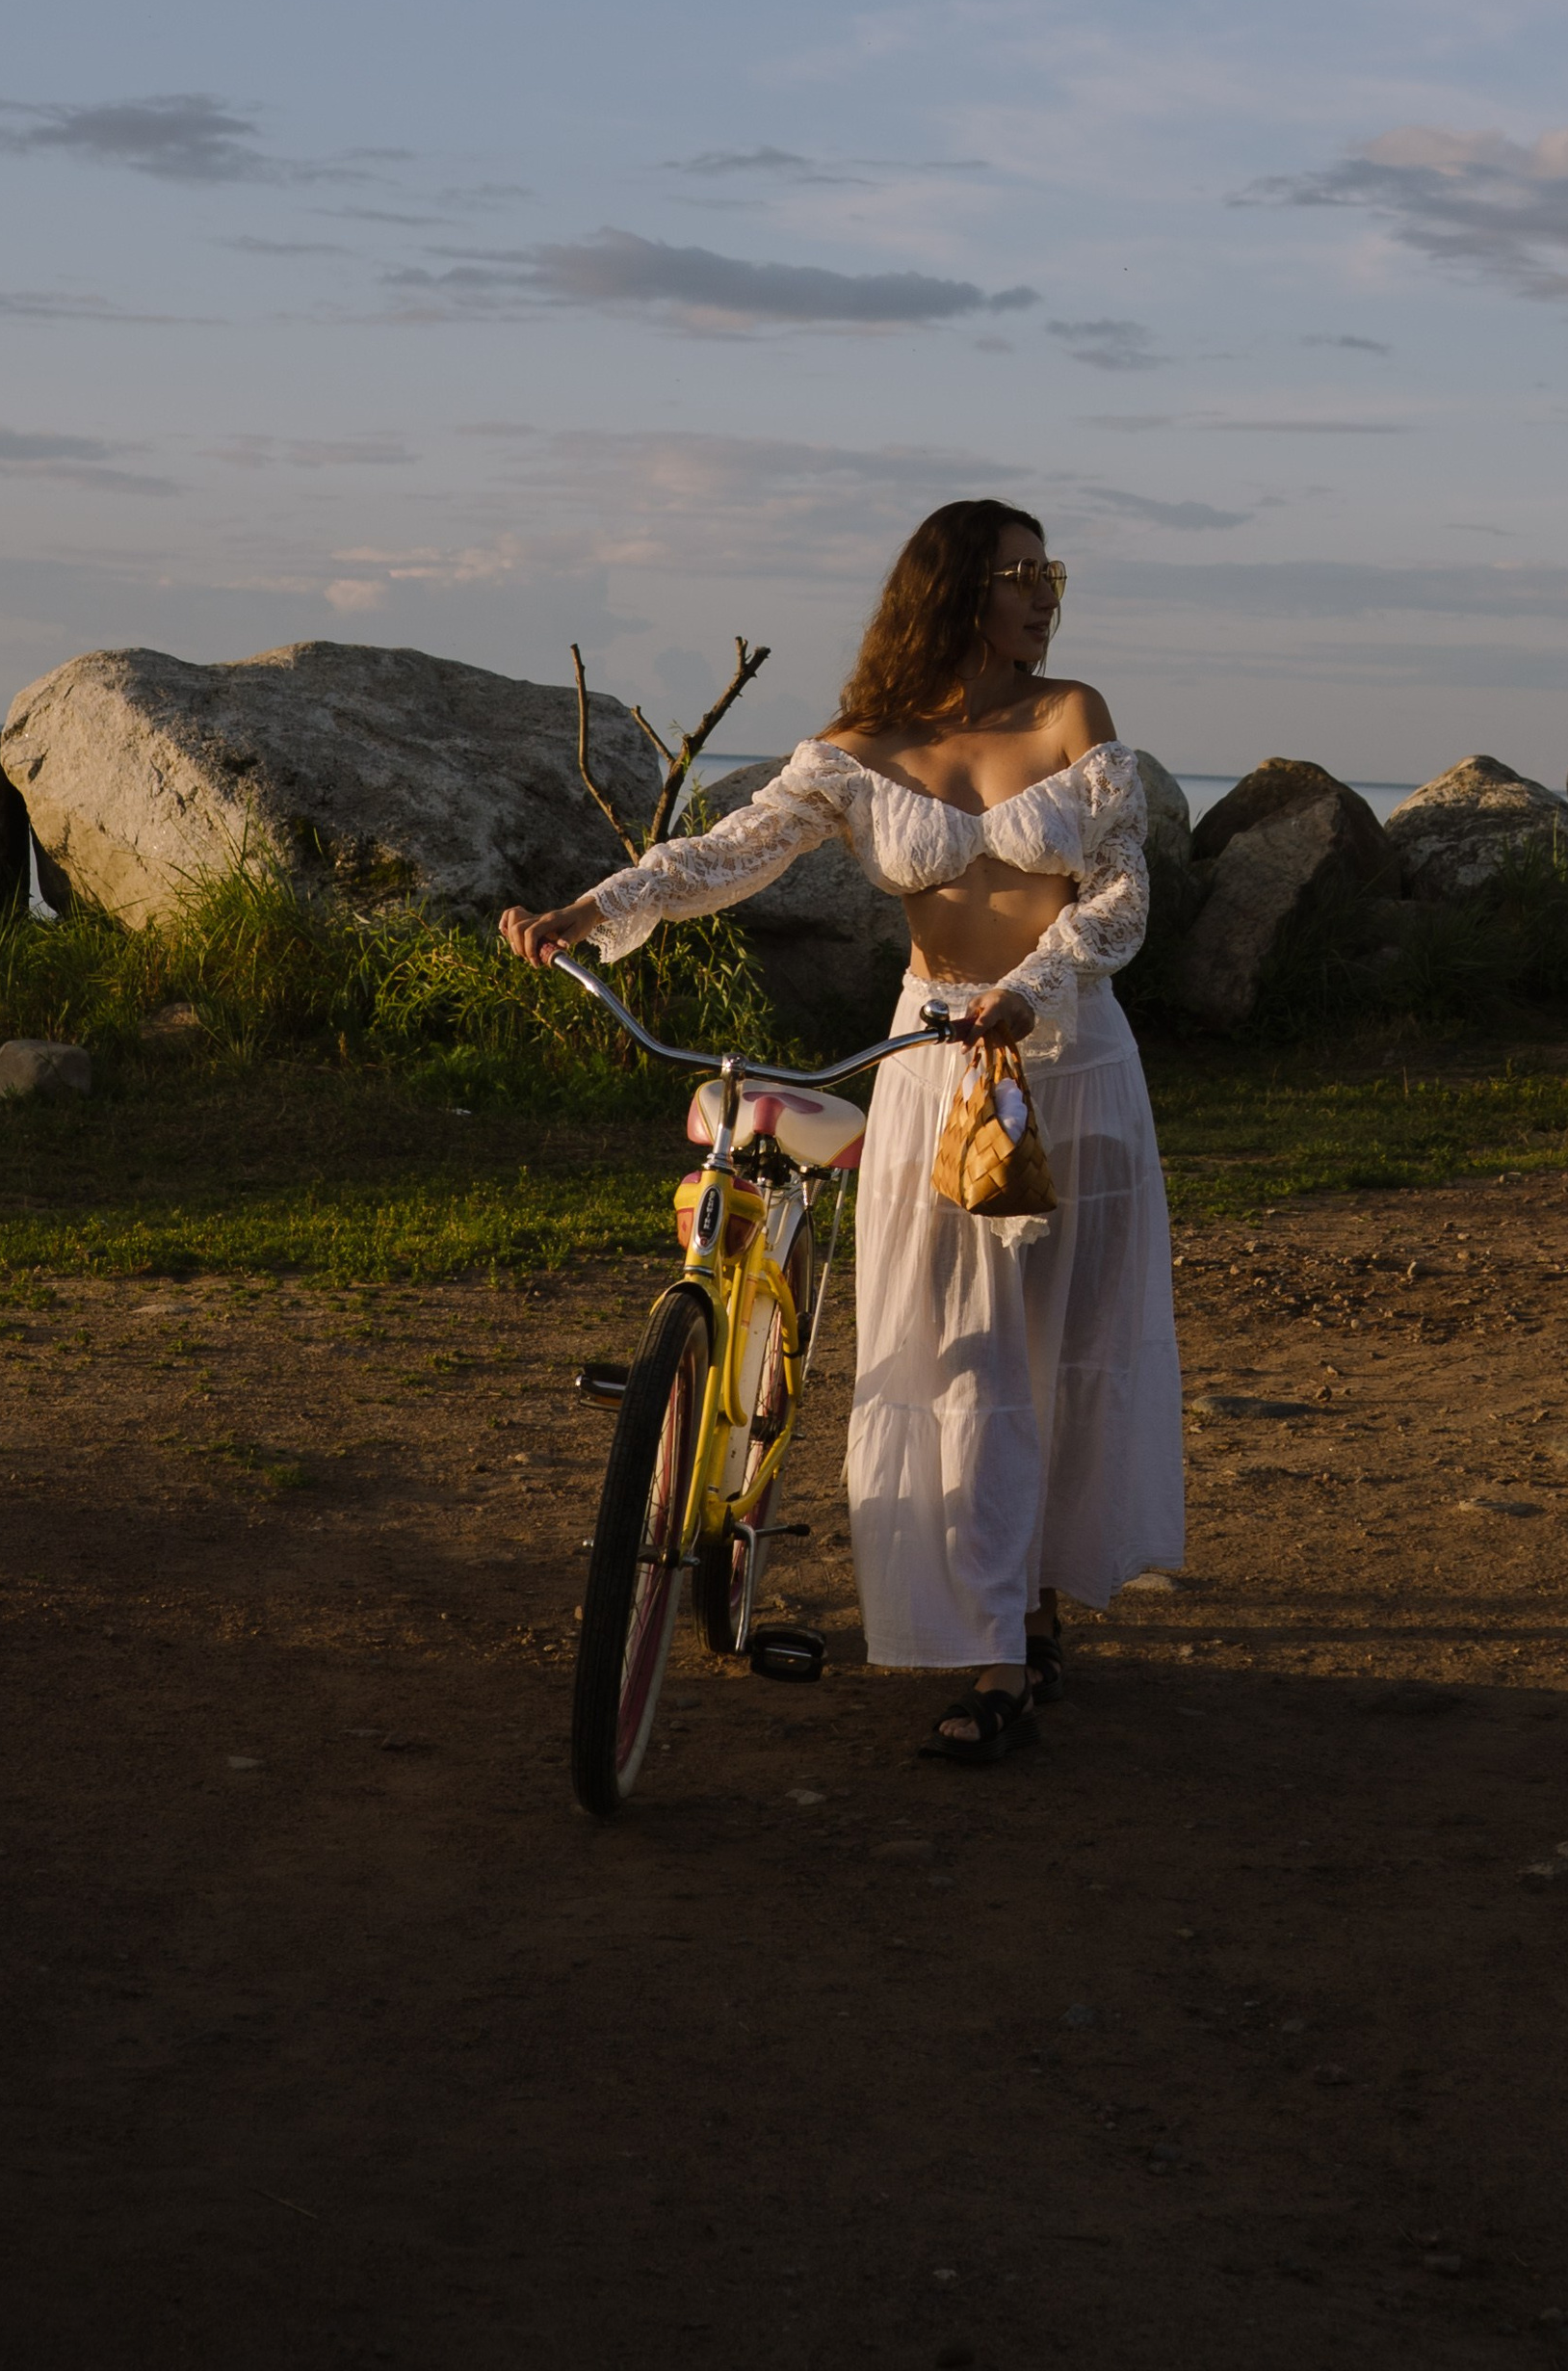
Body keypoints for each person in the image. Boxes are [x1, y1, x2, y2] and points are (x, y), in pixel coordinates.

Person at [501, 499, 1184, 1764]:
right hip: (934, 1063)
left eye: (1053, 571)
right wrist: (590, 909)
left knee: (1065, 1351)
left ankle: (1032, 1612)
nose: (1048, 594)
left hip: (1074, 1059)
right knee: (960, 1357)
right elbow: (727, 851)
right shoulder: (859, 748)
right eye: (1022, 572)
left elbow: (1125, 886)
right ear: (956, 588)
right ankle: (992, 1660)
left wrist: (1034, 984)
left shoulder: (1071, 714)